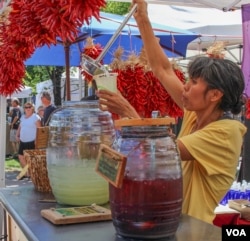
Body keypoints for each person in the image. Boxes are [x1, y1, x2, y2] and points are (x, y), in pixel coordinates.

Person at [96, 0, 247, 224]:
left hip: (193, 229)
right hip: (172, 221)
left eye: (194, 82)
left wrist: (128, 110)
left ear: (215, 95)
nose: (185, 85)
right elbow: (163, 69)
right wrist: (143, 19)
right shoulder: (196, 113)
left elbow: (158, 153)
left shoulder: (227, 132)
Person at [16, 102, 41, 177]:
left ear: (32, 108)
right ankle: (27, 173)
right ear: (24, 109)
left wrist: (37, 140)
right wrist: (17, 135)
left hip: (32, 141)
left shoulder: (35, 117)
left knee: (31, 159)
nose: (28, 109)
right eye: (26, 107)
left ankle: (32, 173)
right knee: (21, 157)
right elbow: (20, 127)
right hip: (23, 141)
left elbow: (39, 129)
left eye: (29, 107)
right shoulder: (23, 117)